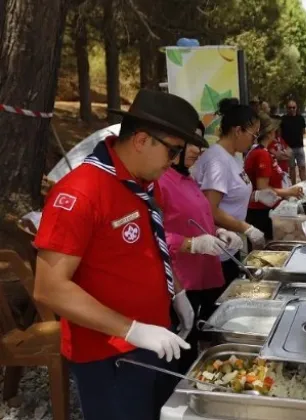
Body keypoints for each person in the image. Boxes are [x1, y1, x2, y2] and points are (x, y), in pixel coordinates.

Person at [32, 89, 203, 420]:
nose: (174, 162)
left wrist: (176, 289)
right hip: (109, 354)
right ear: (141, 140)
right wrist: (131, 330)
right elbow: (49, 287)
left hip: (155, 339)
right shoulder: (81, 191)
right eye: (172, 151)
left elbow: (150, 246)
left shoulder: (141, 183)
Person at [157, 122, 244, 374]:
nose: (198, 150)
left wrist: (218, 232)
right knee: (180, 352)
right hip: (181, 280)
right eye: (192, 143)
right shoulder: (160, 180)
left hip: (203, 274)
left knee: (198, 342)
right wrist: (192, 244)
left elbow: (196, 217)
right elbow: (154, 234)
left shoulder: (187, 176)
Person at [192, 99, 266, 284]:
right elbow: (210, 209)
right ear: (237, 130)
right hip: (216, 253)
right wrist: (246, 228)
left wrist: (255, 195)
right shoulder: (217, 161)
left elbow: (232, 192)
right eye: (253, 135)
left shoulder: (233, 157)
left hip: (230, 248)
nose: (254, 141)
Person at [244, 114, 304, 242]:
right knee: (265, 248)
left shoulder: (261, 152)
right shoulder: (261, 154)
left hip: (265, 209)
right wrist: (289, 192)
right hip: (261, 211)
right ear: (270, 133)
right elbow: (263, 188)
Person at [280, 99, 306, 184]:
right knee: (291, 169)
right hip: (288, 148)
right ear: (286, 108)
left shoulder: (301, 118)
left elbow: (303, 131)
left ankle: (304, 185)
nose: (291, 109)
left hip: (299, 147)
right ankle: (293, 187)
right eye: (289, 107)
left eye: (293, 107)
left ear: (296, 108)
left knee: (302, 167)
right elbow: (280, 134)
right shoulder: (283, 119)